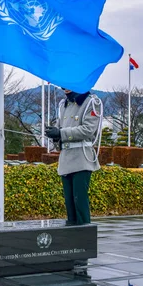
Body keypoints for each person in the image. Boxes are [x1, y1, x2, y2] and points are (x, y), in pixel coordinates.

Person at [44, 88, 102, 226]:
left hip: (82, 158)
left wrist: (61, 133)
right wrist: (54, 133)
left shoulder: (91, 102)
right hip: (66, 159)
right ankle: (73, 239)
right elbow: (61, 126)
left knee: (79, 201)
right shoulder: (64, 104)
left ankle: (84, 237)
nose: (64, 88)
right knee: (69, 203)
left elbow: (88, 130)